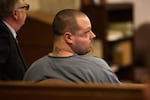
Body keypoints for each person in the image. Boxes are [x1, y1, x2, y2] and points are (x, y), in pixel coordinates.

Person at [24, 9, 120, 83]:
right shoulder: (98, 67)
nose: (93, 35)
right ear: (69, 37)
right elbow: (122, 95)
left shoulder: (33, 70)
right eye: (86, 32)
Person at [0, 0, 30, 80]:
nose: (26, 11)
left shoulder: (6, 32)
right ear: (15, 14)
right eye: (25, 7)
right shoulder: (3, 35)